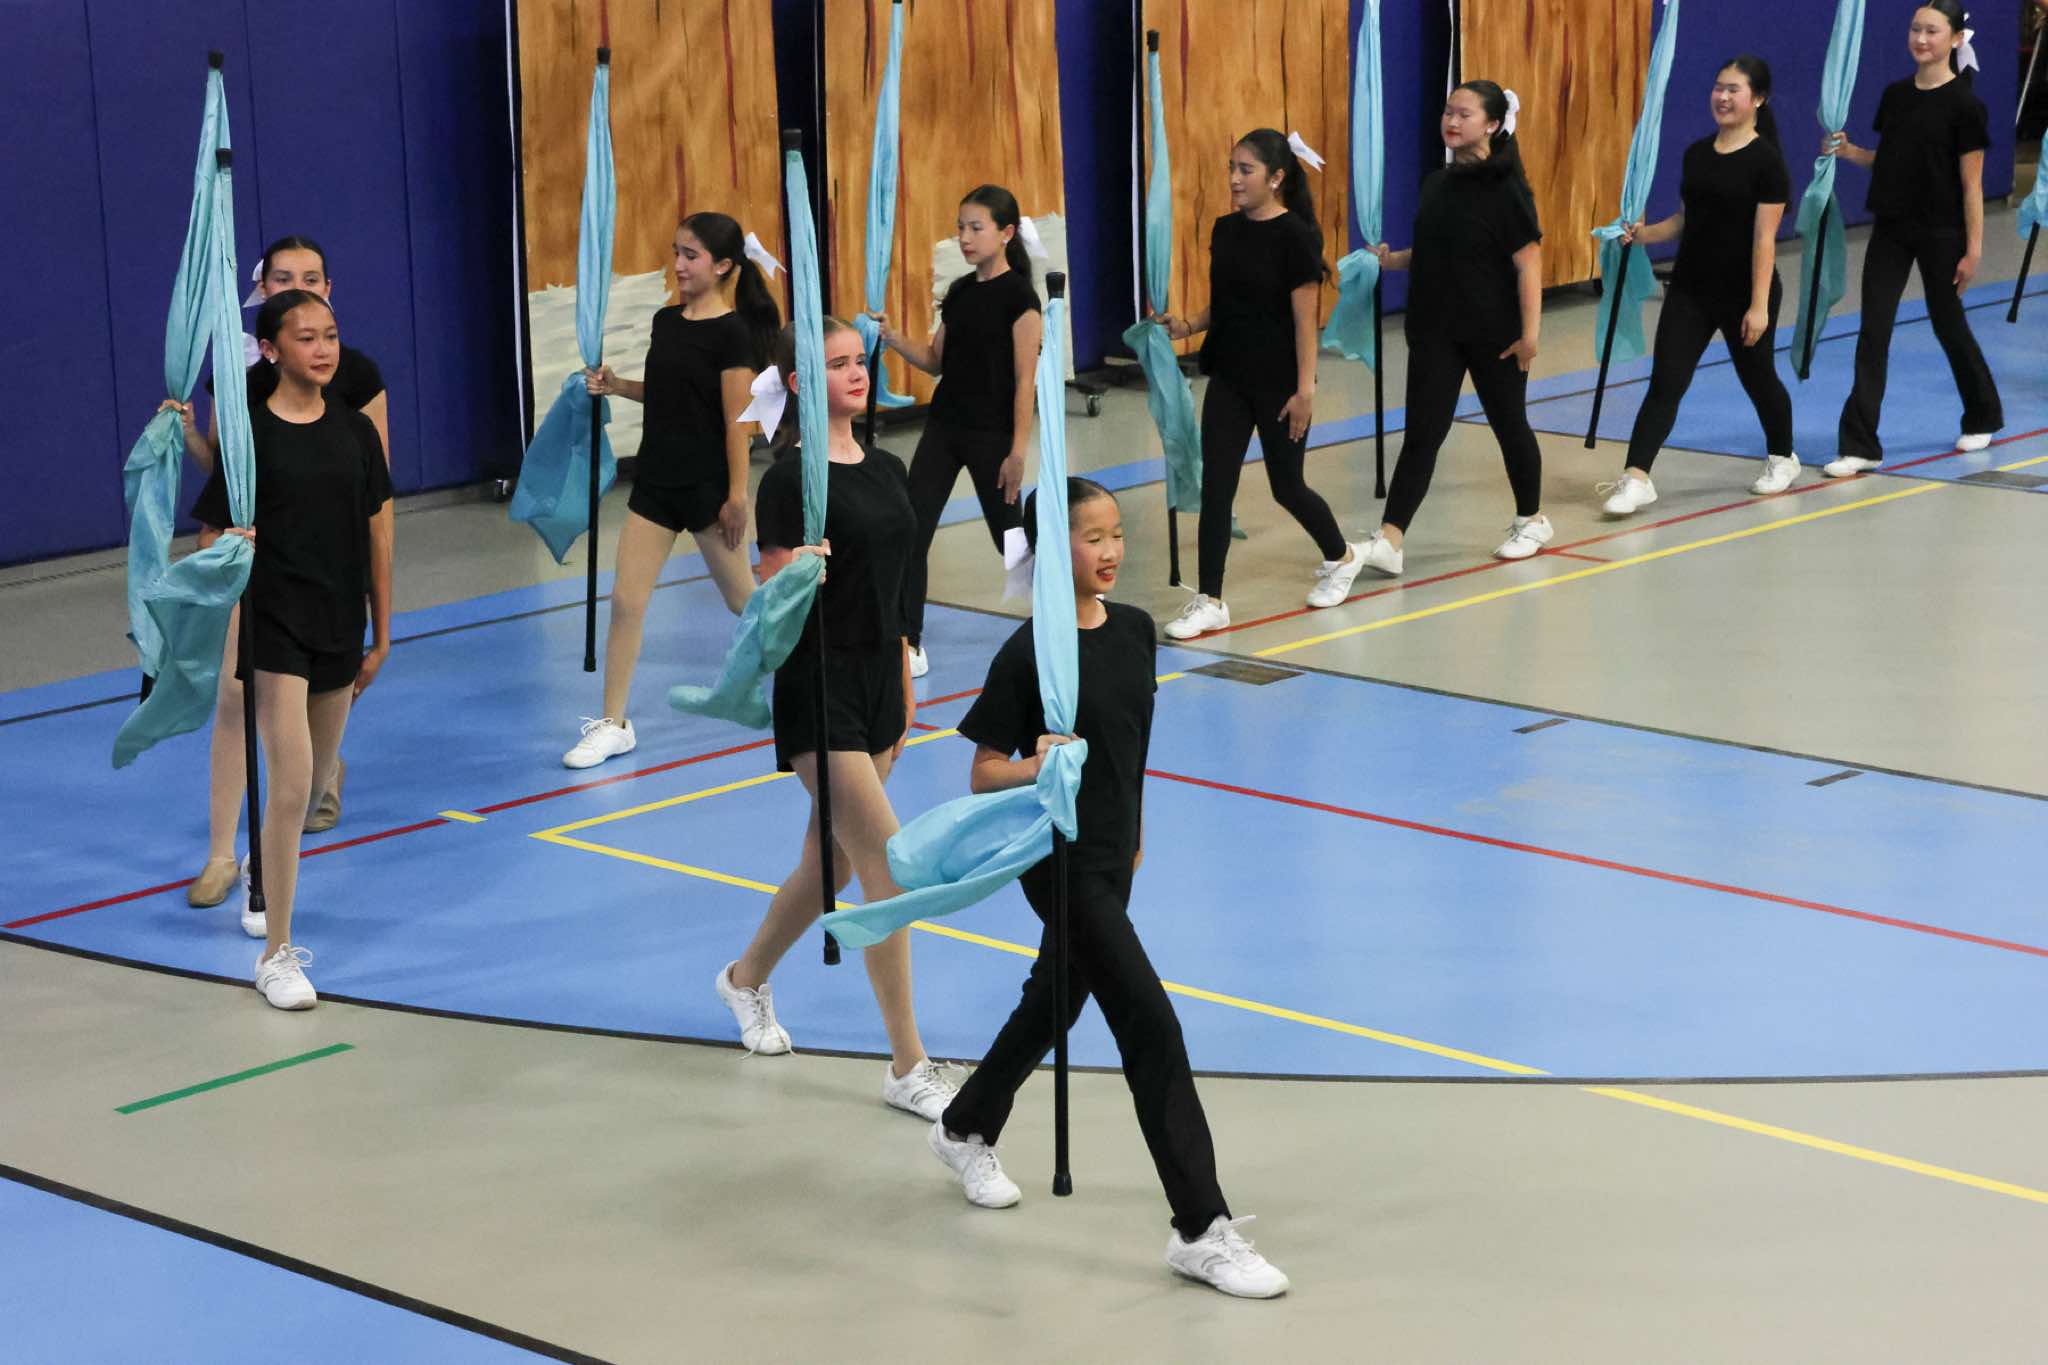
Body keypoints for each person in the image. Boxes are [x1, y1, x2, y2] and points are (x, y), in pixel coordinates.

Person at [925, 477, 1290, 1299]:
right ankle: (1200, 1226)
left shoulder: (1133, 630)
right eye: (1092, 537)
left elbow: (1135, 744)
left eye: (1116, 533)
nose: (1112, 550)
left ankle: (965, 1122)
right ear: (1055, 551)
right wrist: (1037, 762)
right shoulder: (1031, 654)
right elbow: (983, 771)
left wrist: (1137, 828)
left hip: (1114, 853)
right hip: (1059, 863)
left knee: (1053, 999)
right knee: (1150, 1025)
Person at [712, 317, 960, 1121]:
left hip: (880, 680)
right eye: (839, 364)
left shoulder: (886, 467)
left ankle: (744, 977)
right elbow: (768, 598)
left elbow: (897, 580)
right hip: (819, 687)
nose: (858, 372)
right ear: (801, 383)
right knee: (888, 867)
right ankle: (908, 1064)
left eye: (861, 360)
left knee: (831, 868)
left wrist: (904, 673)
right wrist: (796, 572)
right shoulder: (791, 481)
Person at [171, 289, 393, 1009]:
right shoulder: (250, 438)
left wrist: (383, 633)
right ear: (269, 350)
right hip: (276, 625)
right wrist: (231, 545)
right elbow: (210, 536)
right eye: (306, 337)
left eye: (330, 334)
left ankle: (263, 861)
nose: (323, 349)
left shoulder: (356, 432)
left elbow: (376, 535)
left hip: (340, 624)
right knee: (292, 784)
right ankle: (277, 955)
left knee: (315, 784)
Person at [565, 212, 778, 768]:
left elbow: (737, 422)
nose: (678, 265)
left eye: (691, 256)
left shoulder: (733, 334)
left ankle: (813, 672)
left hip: (708, 489)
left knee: (745, 603)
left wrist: (737, 496)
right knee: (626, 602)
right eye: (677, 252)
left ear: (723, 266)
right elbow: (668, 393)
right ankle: (613, 724)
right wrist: (617, 386)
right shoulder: (666, 321)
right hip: (656, 484)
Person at [1156, 129, 1364, 640]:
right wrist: (1187, 326)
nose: (1234, 179)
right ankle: (1210, 600)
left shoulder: (1296, 237)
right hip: (1229, 376)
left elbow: (1304, 322)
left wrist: (1305, 391)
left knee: (1287, 486)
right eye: (1232, 168)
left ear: (1275, 178)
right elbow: (1229, 302)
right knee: (1217, 489)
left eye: (1245, 170)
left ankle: (1341, 556)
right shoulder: (1226, 230)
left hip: (1279, 384)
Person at [1360, 81, 1550, 572]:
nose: (1452, 121)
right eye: (1449, 111)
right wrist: (1392, 261)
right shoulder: (1436, 184)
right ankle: (1391, 539)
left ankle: (1531, 519)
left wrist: (1530, 335)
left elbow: (1529, 264)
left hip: (1495, 335)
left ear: (1492, 125)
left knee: (1509, 425)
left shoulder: (1507, 190)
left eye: (1465, 114)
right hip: (1435, 329)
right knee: (1422, 434)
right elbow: (1438, 248)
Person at [1598, 57, 1796, 516]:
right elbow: (1685, 220)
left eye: (1734, 90)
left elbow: (1764, 239)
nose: (1722, 97)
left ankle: (1782, 456)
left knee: (1759, 379)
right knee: (1665, 382)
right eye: (1718, 87)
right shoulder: (1697, 154)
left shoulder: (1768, 163)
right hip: (1690, 289)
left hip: (1744, 291)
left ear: (1758, 99)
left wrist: (1759, 306)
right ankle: (1637, 477)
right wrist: (1642, 235)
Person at [868, 185, 1044, 679]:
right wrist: (892, 337)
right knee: (912, 530)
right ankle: (909, 641)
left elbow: (1025, 382)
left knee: (1009, 539)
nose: (965, 237)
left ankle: (1066, 602)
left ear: (1006, 233)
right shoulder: (962, 292)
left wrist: (1017, 452)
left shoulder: (1021, 300)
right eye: (960, 228)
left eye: (976, 228)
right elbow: (935, 361)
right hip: (944, 430)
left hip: (992, 437)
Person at [1822, 1, 2003, 476]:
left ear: (1955, 39)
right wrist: (1850, 152)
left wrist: (1973, 250)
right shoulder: (1896, 95)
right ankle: (1861, 443)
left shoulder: (1966, 105)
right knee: (1873, 329)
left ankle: (1983, 413)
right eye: (1916, 29)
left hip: (1942, 232)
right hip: (1892, 228)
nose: (1921, 39)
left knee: (1948, 324)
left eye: (1932, 31)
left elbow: (1971, 185)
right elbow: (1891, 159)